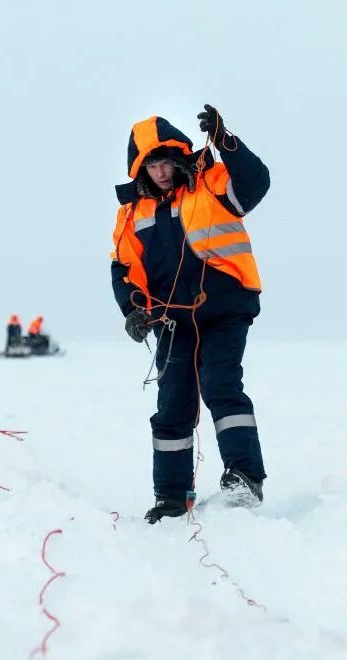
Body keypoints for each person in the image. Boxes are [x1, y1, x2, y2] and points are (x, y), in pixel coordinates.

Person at [110, 105, 271, 524]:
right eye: (152, 164)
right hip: (172, 322)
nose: (161, 172)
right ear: (139, 169)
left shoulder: (210, 182)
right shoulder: (132, 213)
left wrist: (225, 141)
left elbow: (254, 184)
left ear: (179, 157)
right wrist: (134, 309)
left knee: (221, 384)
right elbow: (126, 269)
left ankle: (245, 478)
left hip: (225, 309)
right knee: (173, 403)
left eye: (166, 161)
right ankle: (171, 497)